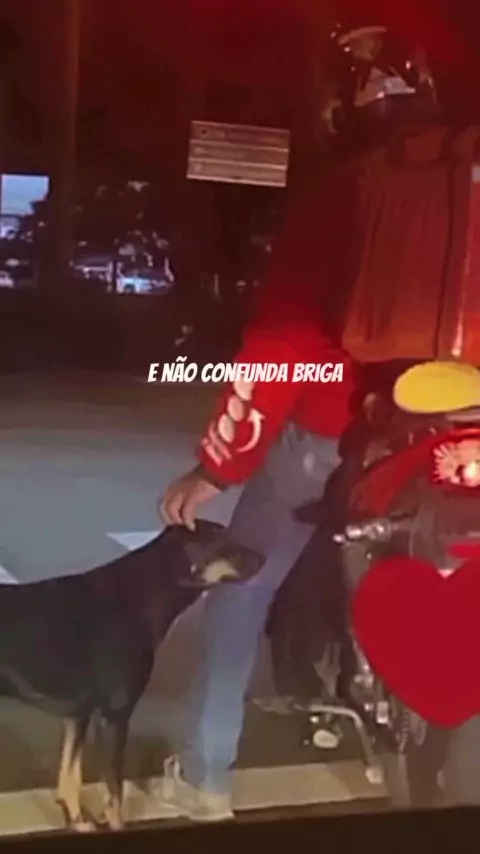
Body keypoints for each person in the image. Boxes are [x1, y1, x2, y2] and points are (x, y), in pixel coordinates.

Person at [157, 163, 361, 821]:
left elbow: (280, 347)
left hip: (329, 433)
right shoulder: (453, 195)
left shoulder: (339, 197)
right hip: (441, 427)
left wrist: (214, 469)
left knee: (241, 586)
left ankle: (204, 776)